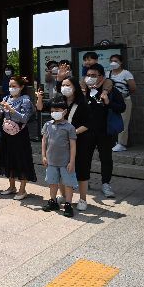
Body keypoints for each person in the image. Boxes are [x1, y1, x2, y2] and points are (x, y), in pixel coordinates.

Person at [37, 78, 91, 210]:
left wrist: (71, 133)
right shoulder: (58, 100)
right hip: (59, 144)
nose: (65, 87)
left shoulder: (82, 103)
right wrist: (39, 97)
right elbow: (40, 108)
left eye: (68, 85)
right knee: (60, 170)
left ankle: (83, 199)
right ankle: (63, 196)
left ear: (75, 87)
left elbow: (88, 124)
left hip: (80, 140)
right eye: (63, 85)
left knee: (81, 170)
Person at [82, 64, 125, 198]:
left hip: (105, 131)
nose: (90, 78)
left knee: (106, 158)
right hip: (86, 131)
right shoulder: (83, 90)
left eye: (93, 76)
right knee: (84, 157)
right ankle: (84, 181)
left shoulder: (110, 90)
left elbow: (122, 107)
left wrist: (108, 103)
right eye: (88, 75)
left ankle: (106, 183)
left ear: (101, 77)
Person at [0, 76, 36, 199]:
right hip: (7, 134)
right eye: (10, 86)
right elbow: (0, 115)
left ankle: (22, 189)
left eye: (14, 86)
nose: (11, 89)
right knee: (8, 158)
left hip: (20, 134)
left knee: (21, 159)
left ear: (21, 87)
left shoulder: (25, 100)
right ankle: (11, 186)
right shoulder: (6, 98)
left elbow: (24, 118)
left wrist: (11, 110)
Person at [41, 96, 78, 217]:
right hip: (51, 161)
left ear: (64, 112)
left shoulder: (69, 128)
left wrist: (72, 161)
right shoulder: (47, 125)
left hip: (65, 162)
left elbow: (73, 146)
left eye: (57, 110)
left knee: (68, 183)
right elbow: (44, 141)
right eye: (52, 111)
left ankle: (68, 204)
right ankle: (52, 201)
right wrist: (43, 156)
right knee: (52, 182)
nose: (54, 113)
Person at [107, 54, 135, 152]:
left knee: (123, 121)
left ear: (121, 62)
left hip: (124, 100)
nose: (113, 63)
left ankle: (121, 143)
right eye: (111, 60)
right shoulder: (108, 74)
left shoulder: (126, 73)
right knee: (112, 120)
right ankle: (113, 141)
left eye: (116, 61)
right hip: (111, 102)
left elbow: (133, 87)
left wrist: (124, 94)